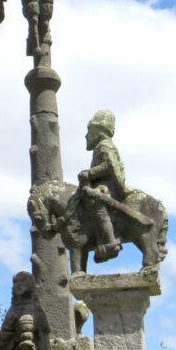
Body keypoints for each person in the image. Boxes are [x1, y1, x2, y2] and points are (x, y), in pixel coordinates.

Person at [78, 110, 125, 263]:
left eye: (89, 131)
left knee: (95, 202)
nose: (86, 136)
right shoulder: (101, 147)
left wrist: (89, 173)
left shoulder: (104, 146)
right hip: (102, 184)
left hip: (108, 187)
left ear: (98, 131)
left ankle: (110, 242)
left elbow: (109, 166)